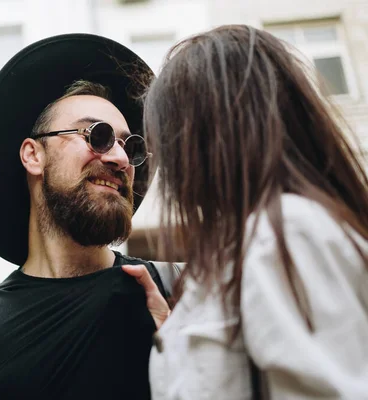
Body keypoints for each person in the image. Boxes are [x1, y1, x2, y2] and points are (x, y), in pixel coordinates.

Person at [0, 33, 170, 400]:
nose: (121, 160)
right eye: (98, 135)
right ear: (33, 156)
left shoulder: (171, 293)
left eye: (130, 145)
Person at [143, 24, 368, 399]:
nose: (166, 166)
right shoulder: (254, 243)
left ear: (202, 135)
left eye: (164, 142)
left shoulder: (285, 233)